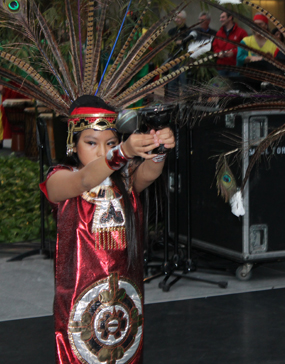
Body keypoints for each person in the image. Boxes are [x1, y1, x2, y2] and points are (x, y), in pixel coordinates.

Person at [40, 95, 175, 363]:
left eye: (110, 143)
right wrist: (122, 152)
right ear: (73, 143)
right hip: (80, 306)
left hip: (123, 305)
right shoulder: (59, 180)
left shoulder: (123, 181)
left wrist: (158, 147)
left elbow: (150, 172)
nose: (102, 152)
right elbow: (84, 179)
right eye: (91, 143)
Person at [212, 11, 248, 77]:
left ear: (230, 18)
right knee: (220, 86)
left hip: (235, 67)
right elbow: (215, 46)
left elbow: (245, 48)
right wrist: (218, 52)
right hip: (221, 67)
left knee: (234, 86)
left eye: (223, 17)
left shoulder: (241, 32)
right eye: (220, 18)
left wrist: (234, 52)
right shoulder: (219, 33)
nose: (220, 20)